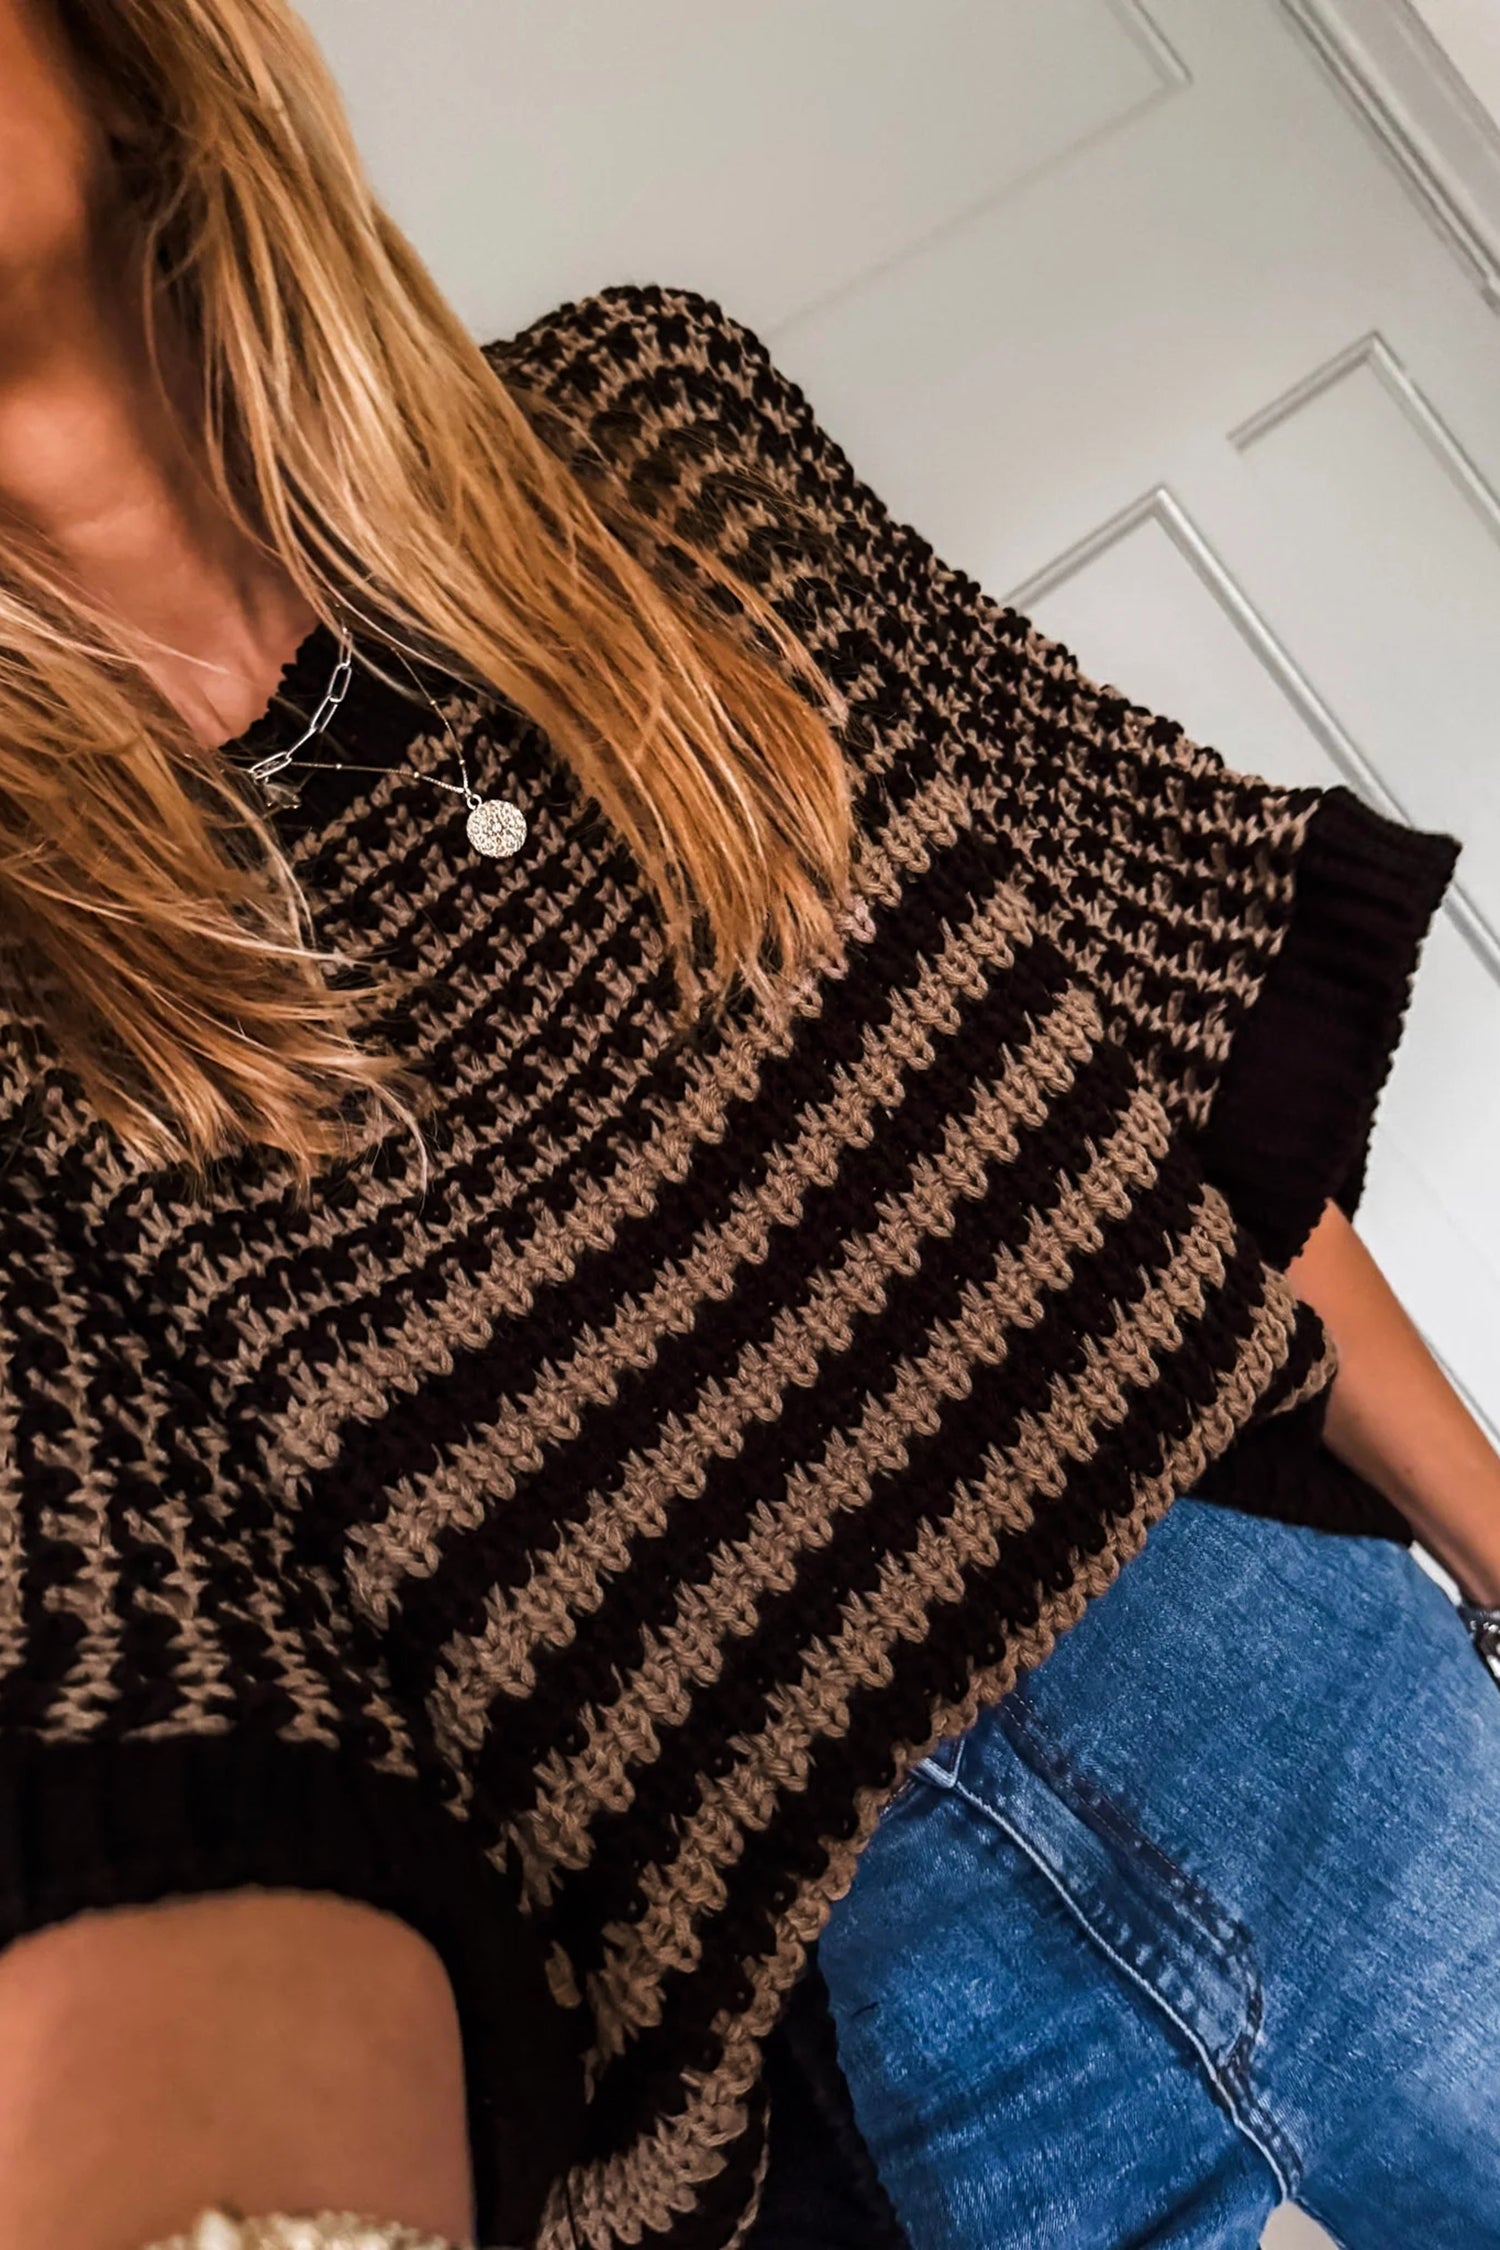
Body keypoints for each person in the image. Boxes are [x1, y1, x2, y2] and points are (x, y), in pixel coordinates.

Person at [0, 4, 1494, 2249]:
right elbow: (148, 1719)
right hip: (838, 2087)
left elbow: (1179, 1094)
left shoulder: (657, 438)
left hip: (1296, 1688)